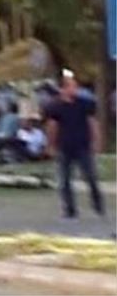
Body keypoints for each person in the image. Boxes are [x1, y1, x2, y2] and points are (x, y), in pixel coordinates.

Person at [46, 73, 104, 219]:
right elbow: (53, 127)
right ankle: (70, 209)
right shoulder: (55, 107)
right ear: (63, 89)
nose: (74, 90)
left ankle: (98, 204)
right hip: (65, 146)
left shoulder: (85, 104)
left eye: (75, 86)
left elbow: (92, 123)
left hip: (83, 145)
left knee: (90, 176)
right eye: (70, 87)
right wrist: (51, 144)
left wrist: (96, 141)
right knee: (65, 180)